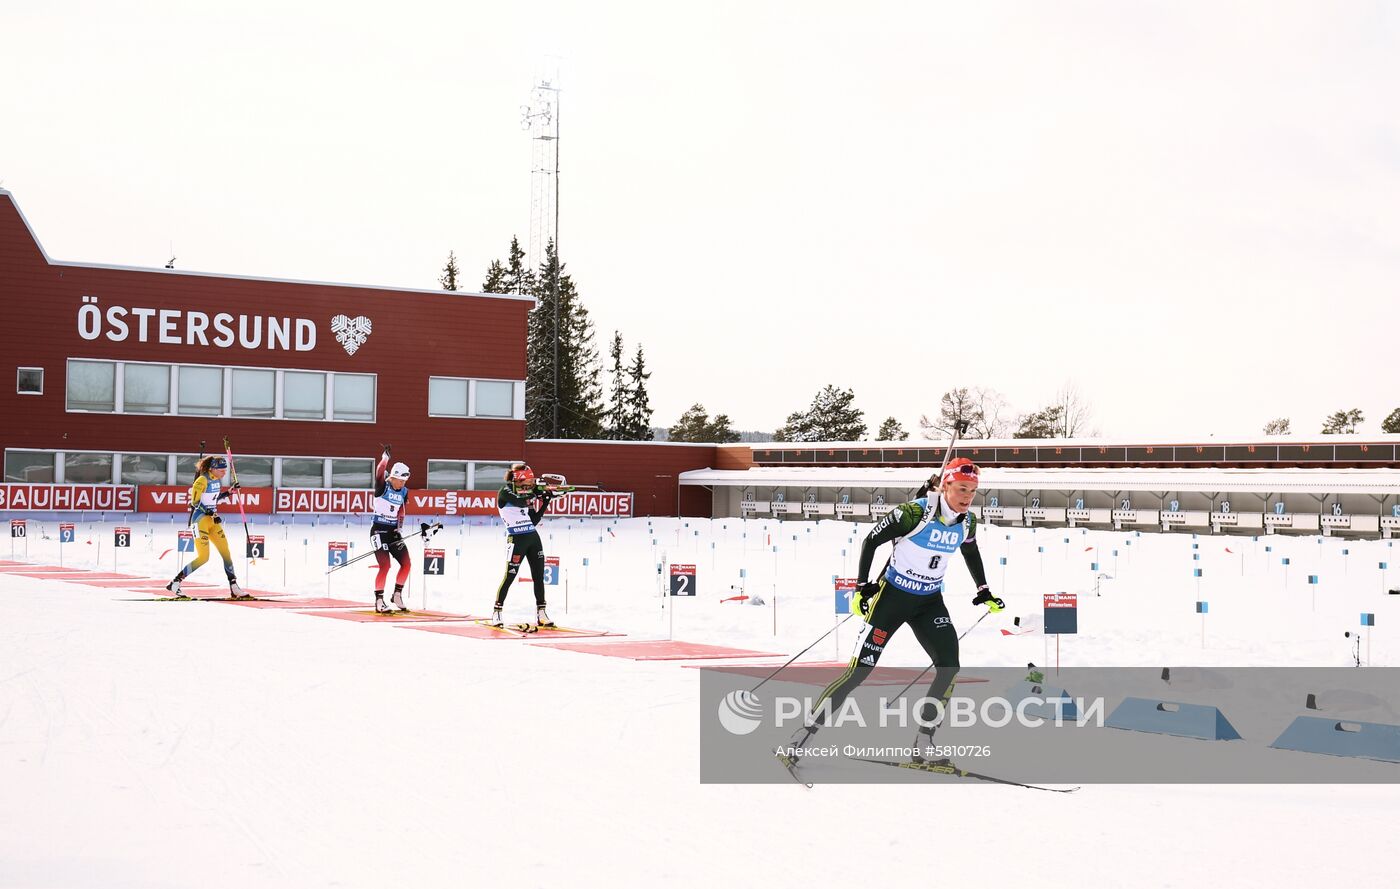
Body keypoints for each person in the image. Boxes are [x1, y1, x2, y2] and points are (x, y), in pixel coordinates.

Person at [785, 457, 1004, 765]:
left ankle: (924, 741)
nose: (968, 496)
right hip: (893, 598)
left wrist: (983, 589)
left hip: (929, 601)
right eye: (962, 489)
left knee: (949, 666)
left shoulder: (968, 521)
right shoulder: (915, 512)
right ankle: (801, 736)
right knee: (858, 672)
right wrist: (862, 587)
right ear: (946, 485)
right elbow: (871, 540)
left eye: (973, 491)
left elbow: (969, 549)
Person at [165, 455, 248, 599]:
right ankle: (175, 582)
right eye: (221, 469)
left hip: (213, 521)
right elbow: (195, 502)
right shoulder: (201, 480)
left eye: (225, 469)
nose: (224, 472)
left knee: (226, 553)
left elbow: (214, 498)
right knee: (204, 557)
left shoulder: (216, 480)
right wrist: (209, 511)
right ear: (212, 469)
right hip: (200, 520)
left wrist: (229, 492)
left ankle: (234, 586)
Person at [490, 462, 556, 629]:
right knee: (510, 575)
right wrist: (536, 493)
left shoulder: (527, 493)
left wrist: (546, 501)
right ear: (519, 480)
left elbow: (533, 520)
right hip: (516, 538)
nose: (531, 484)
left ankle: (541, 612)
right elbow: (520, 501)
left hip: (532, 537)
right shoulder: (505, 492)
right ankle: (497, 611)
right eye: (529, 481)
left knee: (538, 576)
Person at [371, 446, 413, 613]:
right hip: (378, 531)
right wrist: (385, 458)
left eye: (405, 481)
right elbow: (380, 471)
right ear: (393, 477)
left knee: (407, 564)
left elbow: (401, 510)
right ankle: (379, 601)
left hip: (392, 532)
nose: (403, 484)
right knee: (385, 566)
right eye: (400, 480)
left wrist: (399, 527)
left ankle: (397, 595)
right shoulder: (383, 486)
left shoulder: (403, 491)